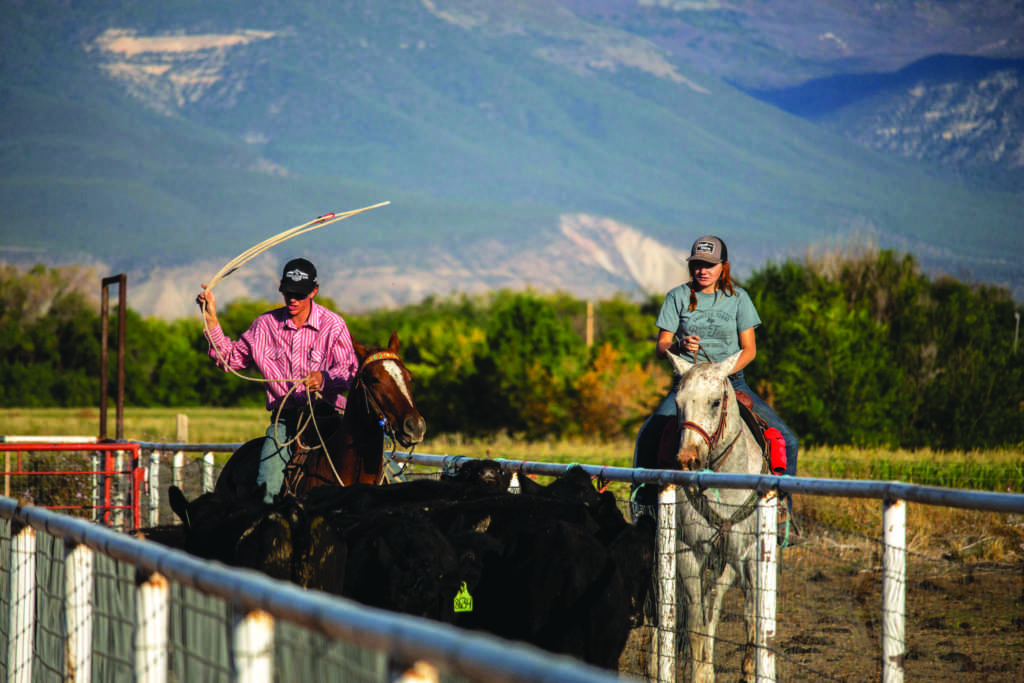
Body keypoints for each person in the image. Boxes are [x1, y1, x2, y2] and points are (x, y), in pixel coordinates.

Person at [632, 235, 799, 521]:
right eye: (697, 264)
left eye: (709, 265)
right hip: (688, 386)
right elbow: (661, 347)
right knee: (647, 437)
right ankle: (645, 508)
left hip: (731, 383)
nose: (702, 270)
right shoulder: (677, 297)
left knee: (787, 439)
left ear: (723, 266)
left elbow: (749, 349)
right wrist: (679, 347)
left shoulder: (739, 299)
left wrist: (720, 374)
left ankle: (783, 508)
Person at [196, 257, 359, 503]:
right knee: (268, 488)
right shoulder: (264, 326)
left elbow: (350, 371)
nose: (293, 299)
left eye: (300, 294)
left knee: (379, 470)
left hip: (333, 417)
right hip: (286, 422)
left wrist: (324, 379)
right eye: (288, 292)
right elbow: (230, 359)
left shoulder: (333, 325)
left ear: (314, 291)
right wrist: (211, 319)